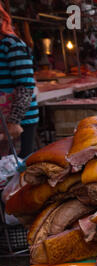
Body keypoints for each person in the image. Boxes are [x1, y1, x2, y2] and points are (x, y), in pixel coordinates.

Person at [0, 4, 36, 158]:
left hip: (20, 122)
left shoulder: (11, 44)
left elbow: (26, 86)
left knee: (18, 169)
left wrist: (14, 122)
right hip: (4, 118)